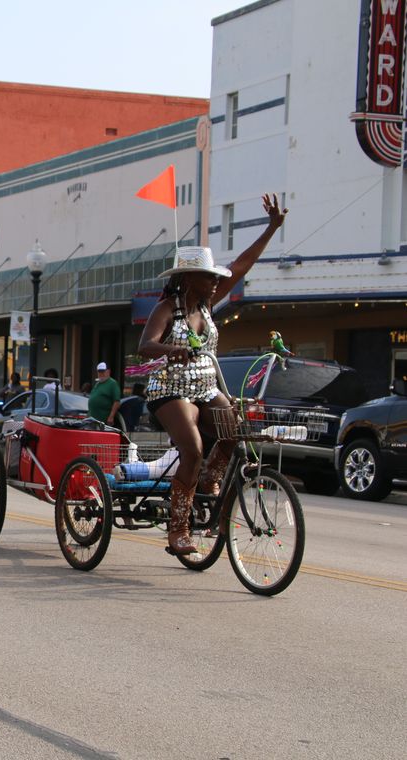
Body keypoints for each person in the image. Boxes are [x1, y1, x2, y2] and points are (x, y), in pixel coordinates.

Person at [138, 193, 287, 555]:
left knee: (233, 432)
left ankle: (210, 480)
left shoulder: (206, 306)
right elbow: (146, 346)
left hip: (205, 387)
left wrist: (271, 228)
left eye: (216, 278)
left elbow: (242, 265)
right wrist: (173, 350)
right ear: (190, 279)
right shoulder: (166, 308)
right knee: (192, 448)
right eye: (209, 277)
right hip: (169, 391)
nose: (217, 282)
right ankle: (178, 531)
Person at [88, 362, 121, 426]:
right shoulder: (98, 383)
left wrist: (111, 417)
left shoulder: (112, 383)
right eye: (99, 372)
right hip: (93, 419)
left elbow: (117, 402)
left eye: (103, 371)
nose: (101, 374)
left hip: (103, 421)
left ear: (108, 371)